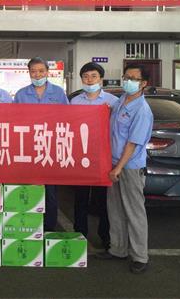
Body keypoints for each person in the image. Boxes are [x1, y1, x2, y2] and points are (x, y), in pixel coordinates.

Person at [96, 63, 153, 275]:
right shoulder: (121, 101)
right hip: (112, 164)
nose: (128, 81)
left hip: (129, 167)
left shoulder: (142, 110)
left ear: (143, 83)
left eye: (133, 79)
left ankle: (140, 256)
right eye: (126, 77)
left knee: (134, 212)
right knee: (116, 209)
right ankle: (118, 249)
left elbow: (133, 143)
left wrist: (118, 168)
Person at [14, 57, 68, 231]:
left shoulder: (58, 93)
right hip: (27, 149)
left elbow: (68, 118)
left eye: (41, 71)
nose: (37, 74)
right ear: (29, 73)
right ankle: (29, 227)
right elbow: (13, 121)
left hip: (50, 150)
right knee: (28, 190)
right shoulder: (21, 94)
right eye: (33, 71)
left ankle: (49, 229)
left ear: (47, 72)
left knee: (50, 193)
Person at [70, 62, 118, 249]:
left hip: (102, 158)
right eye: (86, 76)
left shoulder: (113, 102)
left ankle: (105, 237)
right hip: (81, 156)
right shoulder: (75, 102)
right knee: (80, 198)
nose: (89, 80)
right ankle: (79, 234)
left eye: (93, 76)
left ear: (101, 79)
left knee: (103, 200)